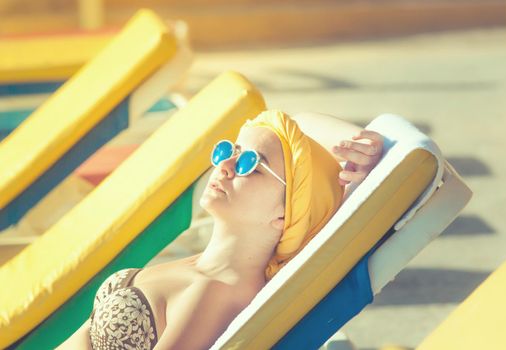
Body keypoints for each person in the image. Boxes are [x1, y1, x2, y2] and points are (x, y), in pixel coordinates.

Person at [57, 110, 384, 350]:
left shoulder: (217, 290)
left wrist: (371, 151)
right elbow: (296, 118)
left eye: (250, 164)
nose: (225, 166)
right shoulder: (205, 269)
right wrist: (360, 143)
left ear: (285, 215)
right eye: (229, 151)